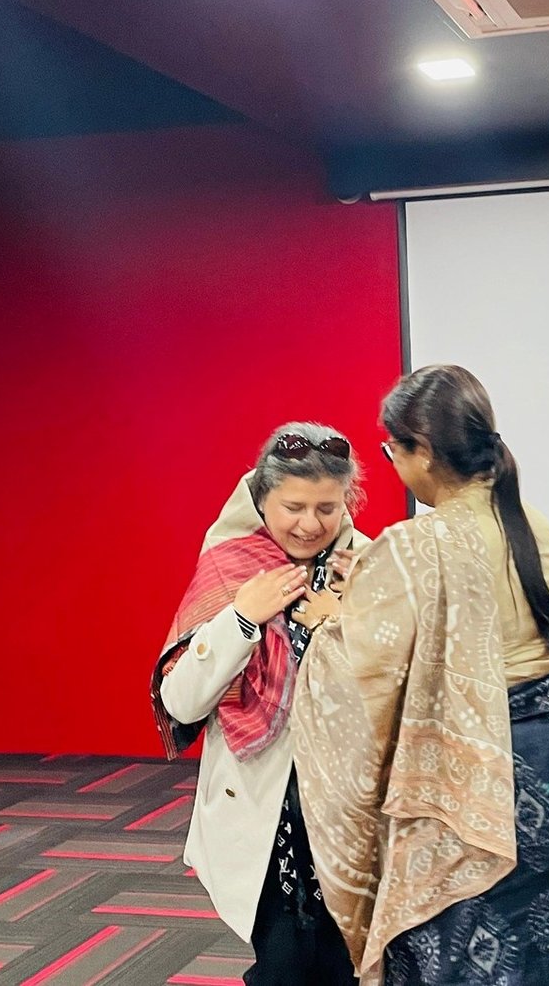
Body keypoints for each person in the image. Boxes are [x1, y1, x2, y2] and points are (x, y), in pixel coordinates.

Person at [291, 364, 549, 985]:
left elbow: (361, 673)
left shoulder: (420, 543)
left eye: (392, 450)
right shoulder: (533, 521)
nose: (393, 463)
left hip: (483, 783)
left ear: (422, 451)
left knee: (470, 952)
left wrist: (333, 617)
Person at [151, 422, 366, 984]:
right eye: (293, 507)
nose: (310, 524)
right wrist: (242, 619)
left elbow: (404, 693)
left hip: (350, 810)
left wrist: (363, 615)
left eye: (327, 508)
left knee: (349, 968)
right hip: (264, 809)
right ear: (261, 498)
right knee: (284, 965)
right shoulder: (229, 565)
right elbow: (181, 701)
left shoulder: (368, 565)